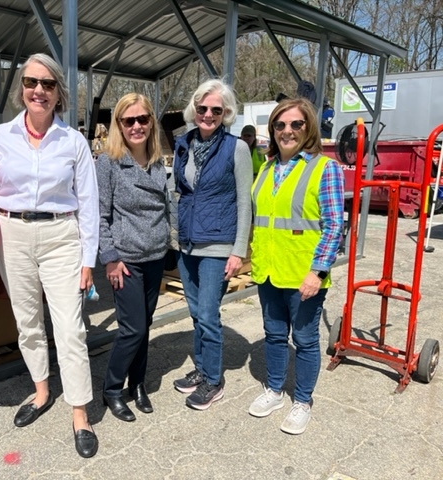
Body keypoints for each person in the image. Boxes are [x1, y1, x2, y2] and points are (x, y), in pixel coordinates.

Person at [0, 53, 99, 458]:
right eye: (32, 82)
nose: (39, 90)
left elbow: (88, 202)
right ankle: (41, 392)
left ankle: (80, 412)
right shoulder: (1, 136)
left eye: (48, 84)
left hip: (60, 235)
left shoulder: (73, 142)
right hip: (12, 233)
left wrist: (88, 259)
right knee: (28, 322)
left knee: (70, 329)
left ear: (58, 93)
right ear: (22, 88)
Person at [248, 97, 344, 435]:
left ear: (308, 128)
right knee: (274, 335)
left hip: (304, 274)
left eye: (296, 124)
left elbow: (334, 225)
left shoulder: (324, 168)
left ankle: (302, 401)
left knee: (304, 340)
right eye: (280, 125)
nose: (287, 131)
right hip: (269, 270)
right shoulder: (266, 168)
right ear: (273, 130)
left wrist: (317, 272)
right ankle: (275, 390)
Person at [171, 79, 253, 410]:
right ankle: (202, 369)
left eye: (216, 110)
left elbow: (244, 202)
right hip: (187, 244)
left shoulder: (237, 148)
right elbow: (179, 192)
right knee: (195, 313)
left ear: (226, 113)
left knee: (207, 314)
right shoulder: (184, 144)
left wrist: (238, 250)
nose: (208, 114)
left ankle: (213, 380)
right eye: (202, 108)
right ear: (194, 108)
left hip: (217, 246)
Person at [96, 93, 170, 422]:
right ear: (119, 125)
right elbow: (100, 215)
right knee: (132, 329)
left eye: (143, 119)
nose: (137, 126)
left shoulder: (157, 161)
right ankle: (112, 388)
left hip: (155, 255)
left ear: (151, 122)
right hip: (125, 260)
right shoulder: (109, 163)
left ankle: (137, 383)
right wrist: (110, 257)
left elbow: (165, 206)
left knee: (145, 325)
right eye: (129, 120)